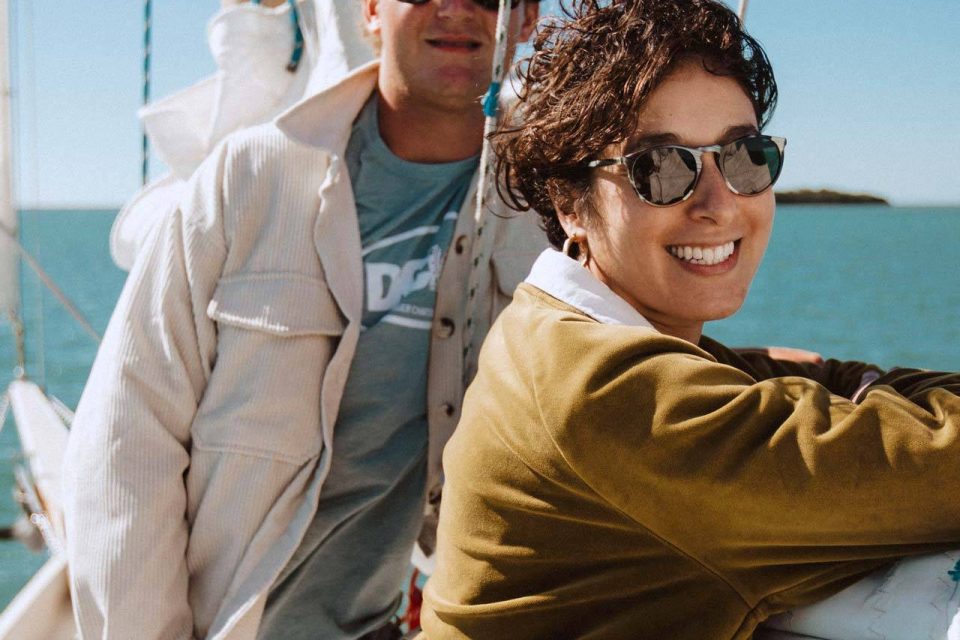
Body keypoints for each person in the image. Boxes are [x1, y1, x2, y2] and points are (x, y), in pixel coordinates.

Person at [420, 1, 960, 639]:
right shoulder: (605, 398)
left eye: (745, 156)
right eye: (660, 168)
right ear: (570, 202)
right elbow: (935, 471)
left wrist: (842, 384)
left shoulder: (552, 330)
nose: (718, 203)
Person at [62, 1, 542, 638]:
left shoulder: (554, 211)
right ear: (370, 11)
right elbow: (124, 438)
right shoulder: (249, 176)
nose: (455, 9)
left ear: (526, 18)